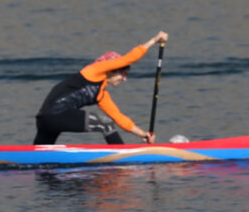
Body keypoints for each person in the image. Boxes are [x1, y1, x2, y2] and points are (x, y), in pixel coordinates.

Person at [33, 30, 168, 146]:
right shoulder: (94, 71)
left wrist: (143, 134)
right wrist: (154, 40)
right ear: (111, 69)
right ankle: (121, 159)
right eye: (123, 74)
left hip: (46, 119)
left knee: (37, 158)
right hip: (55, 115)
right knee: (104, 123)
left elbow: (119, 118)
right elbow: (129, 58)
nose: (125, 79)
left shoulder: (101, 94)